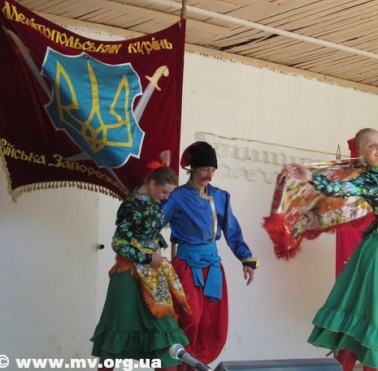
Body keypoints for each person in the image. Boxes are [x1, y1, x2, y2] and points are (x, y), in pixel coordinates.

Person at [285, 128, 378, 371]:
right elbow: (337, 190)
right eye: (371, 145)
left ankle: (346, 359)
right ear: (362, 154)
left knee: (366, 304)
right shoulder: (367, 180)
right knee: (373, 306)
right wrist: (311, 177)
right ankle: (368, 365)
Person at [161, 141, 259, 369]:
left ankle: (198, 366)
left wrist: (246, 259)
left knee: (211, 323)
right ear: (193, 168)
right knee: (190, 318)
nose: (209, 174)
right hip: (186, 265)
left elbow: (231, 230)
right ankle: (178, 365)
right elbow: (155, 222)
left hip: (213, 266)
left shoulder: (221, 196)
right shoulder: (177, 196)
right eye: (205, 168)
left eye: (213, 169)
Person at [91, 154, 189, 371]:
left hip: (152, 277)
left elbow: (155, 190)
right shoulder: (131, 206)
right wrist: (146, 257)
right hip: (128, 277)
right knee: (117, 331)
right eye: (164, 192)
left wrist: (165, 166)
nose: (166, 198)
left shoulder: (152, 200)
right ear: (152, 184)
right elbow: (118, 243)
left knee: (165, 331)